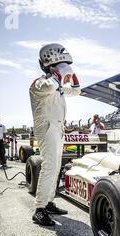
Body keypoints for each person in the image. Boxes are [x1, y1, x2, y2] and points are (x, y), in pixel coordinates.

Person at [29, 43, 81, 226]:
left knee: (56, 166)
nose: (65, 77)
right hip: (47, 128)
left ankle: (49, 202)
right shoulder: (40, 83)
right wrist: (57, 75)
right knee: (50, 166)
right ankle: (39, 209)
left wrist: (72, 76)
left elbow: (76, 91)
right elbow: (48, 87)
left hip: (57, 129)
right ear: (50, 68)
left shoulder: (57, 86)